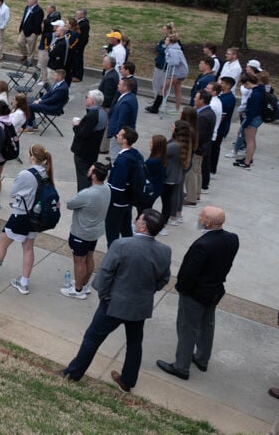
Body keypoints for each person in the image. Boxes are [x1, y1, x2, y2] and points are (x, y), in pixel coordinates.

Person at [61, 209, 171, 393]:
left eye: (139, 219)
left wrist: (104, 295)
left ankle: (73, 374)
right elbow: (164, 279)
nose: (136, 220)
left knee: (92, 339)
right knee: (135, 343)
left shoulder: (121, 245)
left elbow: (105, 274)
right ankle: (127, 381)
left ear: (143, 226)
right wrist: (146, 292)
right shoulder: (164, 251)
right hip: (140, 306)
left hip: (113, 304)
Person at [157, 206, 240, 381]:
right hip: (215, 290)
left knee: (187, 329)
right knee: (207, 325)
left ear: (208, 223)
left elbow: (189, 273)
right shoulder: (232, 239)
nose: (198, 218)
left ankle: (181, 367)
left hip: (195, 294)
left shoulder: (202, 245)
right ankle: (202, 359)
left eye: (201, 216)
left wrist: (182, 289)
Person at [0, 144, 55, 295]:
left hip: (20, 215)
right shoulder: (47, 174)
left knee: (2, 243)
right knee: (28, 248)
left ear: (32, 157)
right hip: (36, 217)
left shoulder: (26, 174)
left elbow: (14, 192)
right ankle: (24, 283)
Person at [61, 161, 111, 299]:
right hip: (94, 232)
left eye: (90, 170)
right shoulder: (106, 188)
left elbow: (70, 204)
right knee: (89, 257)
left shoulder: (87, 194)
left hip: (81, 233)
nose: (88, 171)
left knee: (79, 261)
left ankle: (77, 290)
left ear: (94, 176)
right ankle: (84, 284)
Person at [106, 126, 144, 247]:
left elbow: (117, 188)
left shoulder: (122, 161)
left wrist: (109, 201)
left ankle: (114, 259)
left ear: (125, 140)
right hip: (128, 201)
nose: (117, 135)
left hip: (117, 204)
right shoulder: (135, 154)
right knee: (126, 229)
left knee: (112, 234)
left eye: (120, 134)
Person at [70, 90, 107, 192]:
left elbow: (82, 134)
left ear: (93, 101)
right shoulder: (102, 112)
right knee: (88, 175)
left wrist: (76, 126)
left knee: (83, 177)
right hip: (92, 151)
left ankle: (83, 197)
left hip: (83, 152)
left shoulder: (92, 116)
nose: (86, 98)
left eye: (88, 97)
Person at [234, 72, 266, 169]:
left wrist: (245, 124)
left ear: (248, 82)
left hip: (253, 119)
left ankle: (247, 162)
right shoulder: (259, 91)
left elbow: (252, 111)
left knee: (250, 141)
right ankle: (248, 158)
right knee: (251, 140)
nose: (244, 86)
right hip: (257, 118)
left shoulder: (256, 94)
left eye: (244, 84)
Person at [164, 120, 193, 226]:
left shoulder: (174, 145)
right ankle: (178, 214)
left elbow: (162, 152)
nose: (171, 127)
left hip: (172, 174)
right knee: (178, 193)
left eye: (173, 127)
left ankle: (172, 216)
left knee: (172, 196)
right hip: (180, 173)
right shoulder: (186, 143)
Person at [146, 22, 176, 113]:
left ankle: (162, 101)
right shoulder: (163, 40)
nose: (163, 30)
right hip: (159, 64)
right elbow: (158, 48)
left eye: (165, 29)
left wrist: (165, 49)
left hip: (166, 67)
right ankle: (156, 99)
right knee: (155, 82)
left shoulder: (173, 40)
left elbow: (168, 51)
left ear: (169, 30)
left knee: (163, 85)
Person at [106, 77, 138, 160]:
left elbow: (122, 121)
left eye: (120, 84)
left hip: (120, 135)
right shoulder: (132, 97)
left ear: (125, 87)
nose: (117, 85)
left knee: (115, 157)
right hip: (123, 134)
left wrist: (116, 135)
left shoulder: (125, 102)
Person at [163, 33, 189, 114]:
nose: (165, 41)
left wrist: (168, 59)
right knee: (177, 90)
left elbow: (175, 62)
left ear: (170, 41)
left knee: (164, 87)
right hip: (182, 72)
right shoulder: (176, 49)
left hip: (178, 73)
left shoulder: (172, 50)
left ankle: (161, 103)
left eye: (166, 40)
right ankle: (177, 109)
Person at [16, 0, 44, 64]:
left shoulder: (39, 10)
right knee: (20, 42)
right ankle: (25, 54)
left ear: (34, 2)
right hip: (24, 29)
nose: (27, 2)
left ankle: (30, 61)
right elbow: (24, 18)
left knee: (31, 47)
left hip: (32, 32)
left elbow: (38, 23)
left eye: (29, 1)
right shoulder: (27, 7)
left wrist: (35, 32)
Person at [69, 8, 90, 81]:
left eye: (78, 14)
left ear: (82, 15)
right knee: (74, 60)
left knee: (78, 60)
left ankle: (78, 76)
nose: (76, 15)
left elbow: (84, 37)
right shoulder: (78, 22)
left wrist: (79, 45)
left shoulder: (85, 24)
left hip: (79, 45)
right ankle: (73, 74)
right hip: (75, 44)